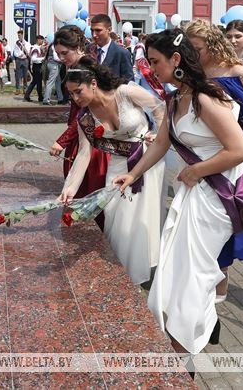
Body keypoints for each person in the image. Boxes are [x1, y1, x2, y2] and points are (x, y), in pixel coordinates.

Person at [113, 29, 243, 357]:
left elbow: (240, 150)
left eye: (155, 61)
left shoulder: (206, 99)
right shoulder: (175, 98)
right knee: (178, 267)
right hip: (194, 191)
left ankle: (185, 342)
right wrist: (132, 173)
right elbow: (161, 143)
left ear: (176, 60)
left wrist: (195, 171)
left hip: (218, 195)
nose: (151, 68)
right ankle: (191, 329)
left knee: (193, 270)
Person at [59, 56, 165, 285]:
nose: (76, 99)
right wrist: (69, 189)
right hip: (117, 166)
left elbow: (159, 108)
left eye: (79, 92)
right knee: (117, 218)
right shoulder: (85, 118)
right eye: (72, 95)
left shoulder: (126, 93)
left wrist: (159, 134)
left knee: (140, 220)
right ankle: (120, 274)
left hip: (147, 160)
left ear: (93, 83)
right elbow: (84, 155)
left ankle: (135, 274)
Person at [186, 19, 243, 303]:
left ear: (211, 44)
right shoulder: (192, 72)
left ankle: (221, 280)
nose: (192, 52)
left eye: (196, 47)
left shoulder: (239, 72)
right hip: (199, 149)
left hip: (232, 153)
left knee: (229, 216)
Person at [49, 27, 109, 207]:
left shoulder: (85, 67)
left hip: (88, 134)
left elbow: (87, 113)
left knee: (84, 183)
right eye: (58, 54)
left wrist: (63, 140)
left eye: (65, 53)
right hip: (79, 130)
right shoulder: (76, 65)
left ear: (77, 46)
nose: (61, 58)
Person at [90, 14, 133, 81]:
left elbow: (128, 83)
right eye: (92, 30)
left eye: (98, 30)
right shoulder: (87, 50)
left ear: (109, 30)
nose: (94, 35)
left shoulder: (121, 53)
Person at [23, 35, 46, 102]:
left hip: (38, 66)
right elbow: (33, 59)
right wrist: (43, 59)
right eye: (42, 40)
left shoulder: (38, 47)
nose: (42, 41)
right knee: (37, 82)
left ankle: (29, 96)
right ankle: (39, 97)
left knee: (36, 82)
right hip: (37, 67)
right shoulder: (35, 48)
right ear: (38, 40)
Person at [11, 30, 30, 97]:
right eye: (18, 35)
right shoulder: (17, 43)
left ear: (22, 35)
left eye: (19, 35)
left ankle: (25, 89)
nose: (18, 36)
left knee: (25, 75)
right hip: (18, 60)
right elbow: (15, 52)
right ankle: (18, 89)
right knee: (17, 75)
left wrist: (24, 47)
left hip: (25, 60)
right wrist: (18, 55)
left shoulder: (27, 43)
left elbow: (28, 52)